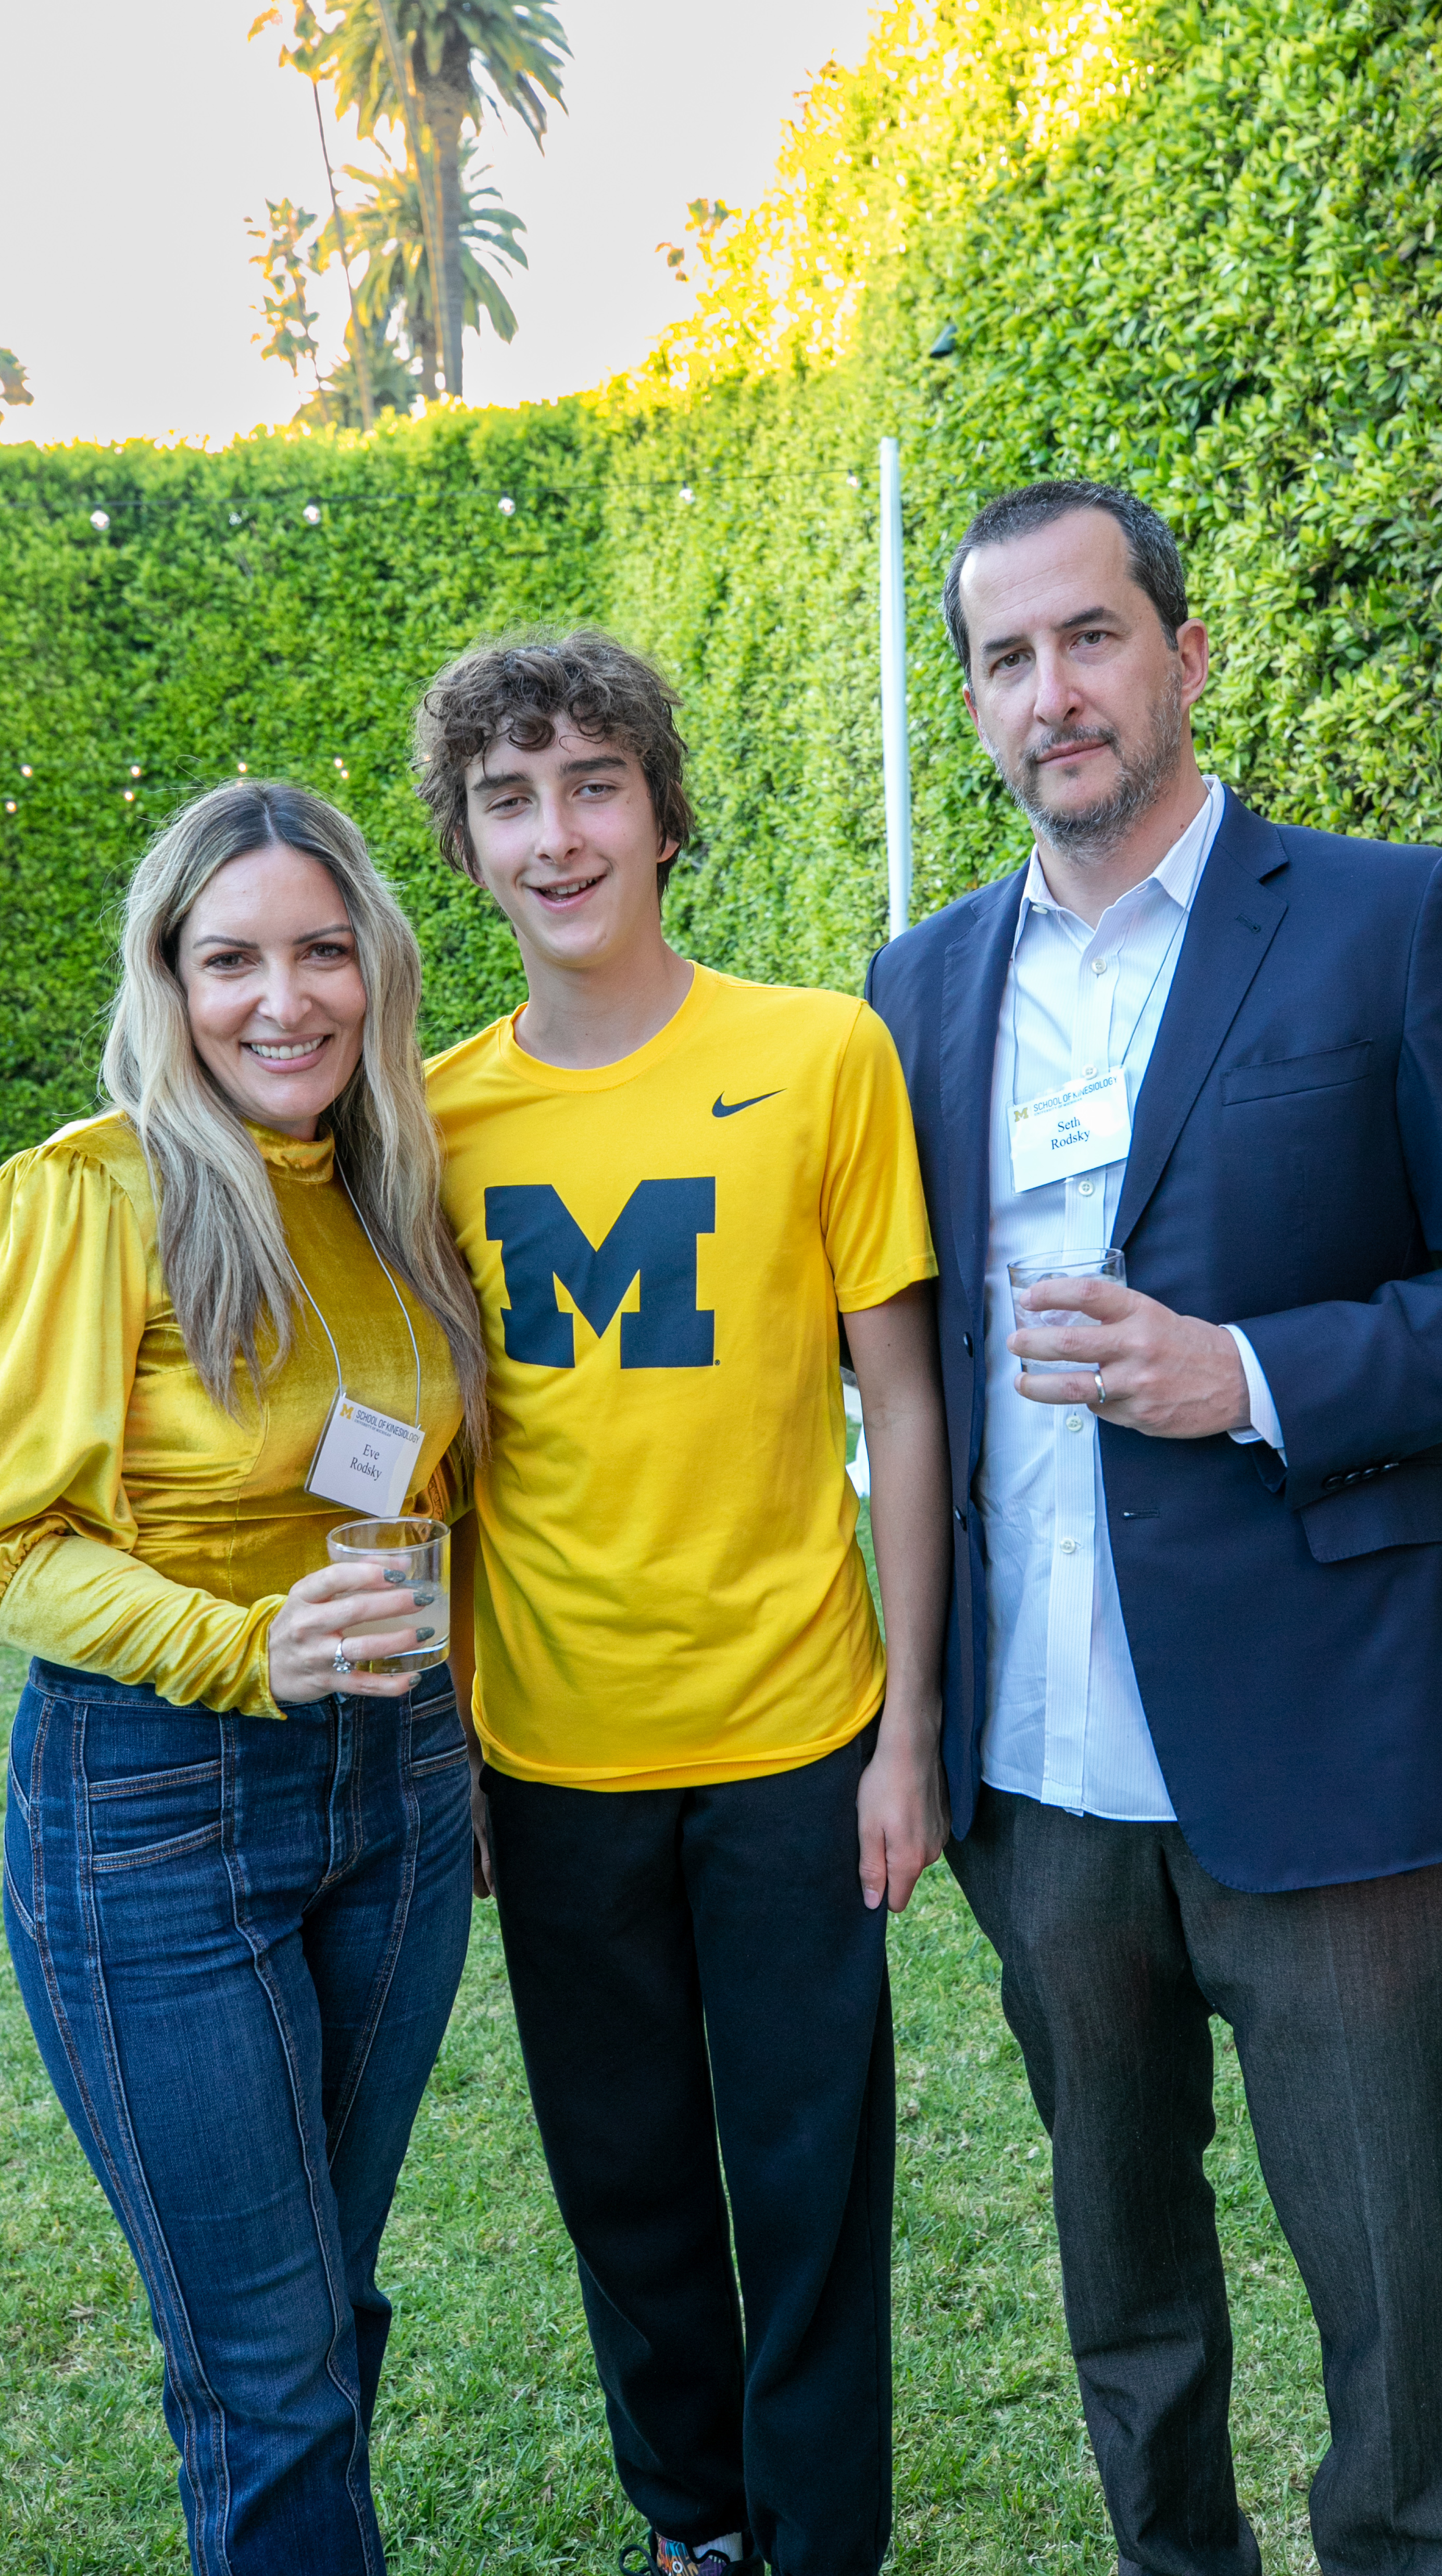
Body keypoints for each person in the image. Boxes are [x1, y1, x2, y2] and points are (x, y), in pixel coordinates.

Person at [863, 480, 1442, 2576]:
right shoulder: (913, 987)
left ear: (1186, 655)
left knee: (1393, 2303)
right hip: (1047, 1780)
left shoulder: (1387, 920)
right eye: (1005, 661)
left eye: (1090, 639)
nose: (1051, 694)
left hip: (1349, 1757)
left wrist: (1253, 1375)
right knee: (1125, 2287)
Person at [0, 781, 488, 2576]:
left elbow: (431, 1486)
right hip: (158, 1819)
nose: (284, 998)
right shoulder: (87, 1194)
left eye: (324, 951)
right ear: (167, 980)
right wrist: (242, 1645)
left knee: (322, 2315)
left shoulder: (394, 1188)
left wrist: (451, 1739)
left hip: (399, 1799)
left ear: (379, 971)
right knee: (273, 2363)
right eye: (230, 958)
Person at [413, 630, 950, 2576]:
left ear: (660, 811)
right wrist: (454, 1736)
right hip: (551, 1753)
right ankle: (695, 2526)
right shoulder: (430, 1115)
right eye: (508, 798)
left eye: (590, 786)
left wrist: (907, 1731)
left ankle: (819, 2542)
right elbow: (436, 1458)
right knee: (626, 2182)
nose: (555, 836)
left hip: (798, 1739)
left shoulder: (819, 1054)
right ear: (466, 847)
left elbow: (900, 1391)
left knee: (811, 2179)